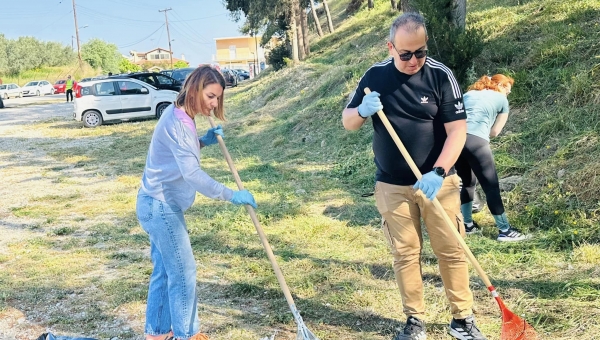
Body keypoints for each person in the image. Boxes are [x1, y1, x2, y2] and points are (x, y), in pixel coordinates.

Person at [342, 12, 487, 340]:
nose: (413, 60)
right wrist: (362, 110)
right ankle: (414, 320)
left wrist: (438, 172)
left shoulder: (440, 76)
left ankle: (462, 319)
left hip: (439, 183)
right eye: (405, 54)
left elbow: (457, 132)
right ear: (390, 47)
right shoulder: (375, 77)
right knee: (405, 253)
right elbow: (348, 121)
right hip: (392, 185)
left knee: (451, 249)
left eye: (420, 52)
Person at [136, 65, 257, 340]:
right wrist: (230, 194)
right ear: (195, 89)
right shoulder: (180, 122)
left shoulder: (180, 115)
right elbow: (192, 174)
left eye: (217, 98)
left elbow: (179, 153)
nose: (214, 104)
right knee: (183, 270)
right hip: (160, 206)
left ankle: (156, 333)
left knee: (166, 270)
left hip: (153, 202)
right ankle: (188, 334)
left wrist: (201, 141)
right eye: (211, 96)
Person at [455, 74, 530, 242]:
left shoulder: (468, 95)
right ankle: (505, 230)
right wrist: (482, 135)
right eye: (507, 91)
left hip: (455, 140)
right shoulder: (501, 100)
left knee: (467, 183)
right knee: (491, 187)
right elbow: (495, 132)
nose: (507, 94)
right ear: (501, 86)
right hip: (476, 141)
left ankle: (467, 225)